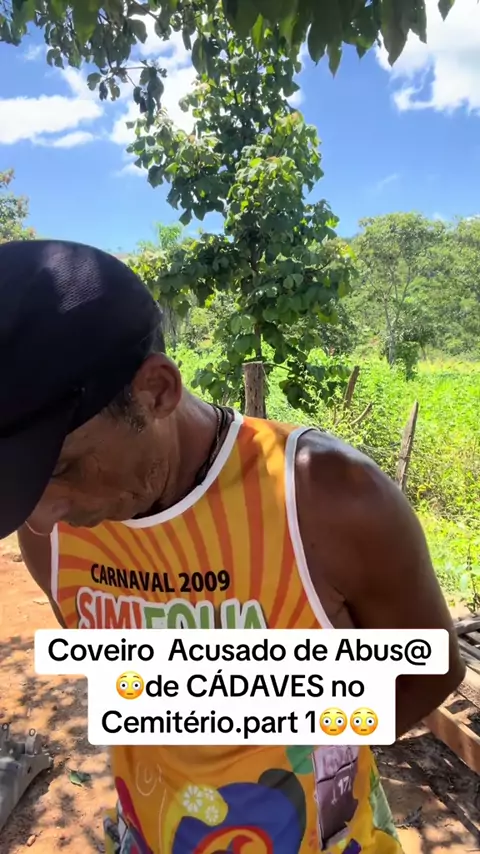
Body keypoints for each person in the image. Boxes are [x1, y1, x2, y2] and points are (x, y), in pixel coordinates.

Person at [1, 238, 464, 854]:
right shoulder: (46, 533)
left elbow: (431, 671)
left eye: (62, 467)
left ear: (157, 390)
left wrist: (303, 742)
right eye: (20, 484)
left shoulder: (324, 496)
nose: (43, 514)